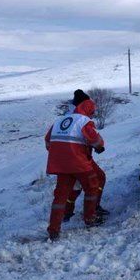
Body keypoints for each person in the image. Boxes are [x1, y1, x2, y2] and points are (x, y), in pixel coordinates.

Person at [44, 89, 107, 240]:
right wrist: (99, 147)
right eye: (92, 110)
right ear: (87, 107)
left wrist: (61, 153)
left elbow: (47, 141)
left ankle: (54, 230)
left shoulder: (59, 121)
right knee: (92, 186)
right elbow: (95, 139)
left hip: (60, 164)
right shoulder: (84, 121)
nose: (92, 114)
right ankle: (90, 218)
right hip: (79, 162)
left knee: (60, 196)